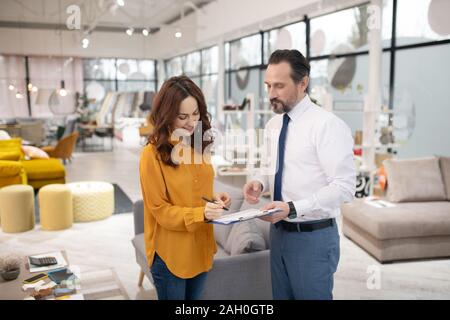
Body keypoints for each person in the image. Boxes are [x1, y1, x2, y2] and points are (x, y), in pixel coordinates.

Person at [243, 49, 356, 300]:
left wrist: (292, 208)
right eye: (268, 85)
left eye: (279, 86)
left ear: (303, 83)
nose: (271, 94)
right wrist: (259, 182)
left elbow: (345, 186)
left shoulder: (327, 125)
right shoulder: (274, 125)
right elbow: (269, 165)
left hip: (313, 239)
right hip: (279, 234)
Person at [139, 75, 231, 300]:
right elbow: (160, 210)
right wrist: (201, 213)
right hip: (172, 255)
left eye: (195, 114)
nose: (191, 122)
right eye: (182, 116)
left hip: (200, 249)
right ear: (166, 114)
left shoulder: (198, 143)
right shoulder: (151, 155)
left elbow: (195, 191)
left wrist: (214, 198)